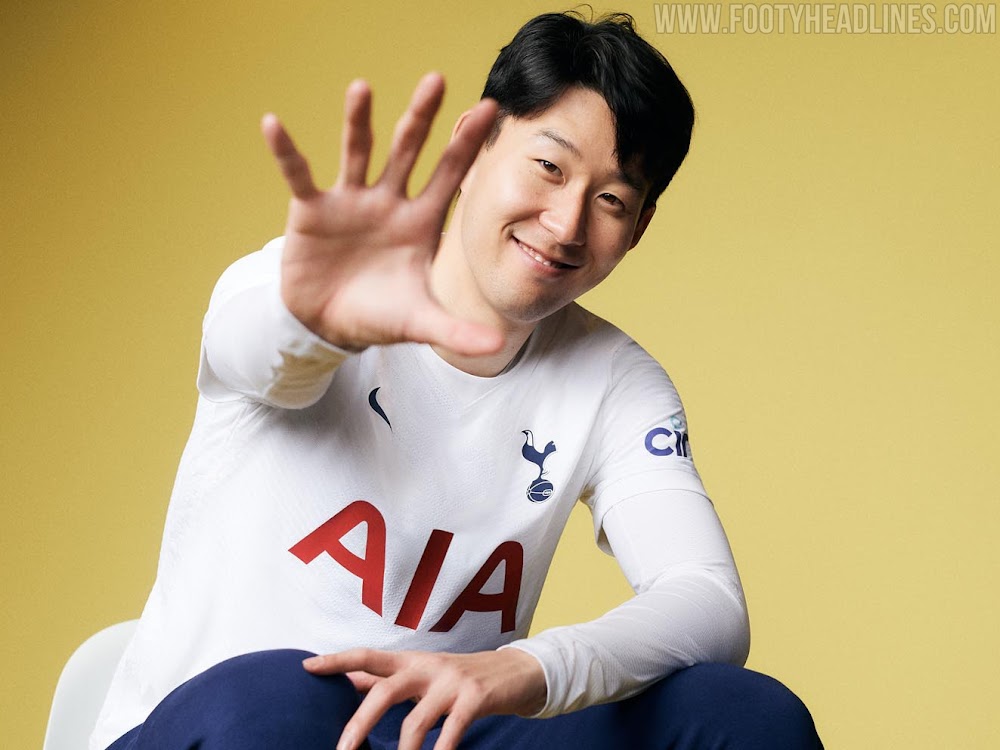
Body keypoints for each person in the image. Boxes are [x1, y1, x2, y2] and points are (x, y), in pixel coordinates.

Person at [91, 11, 823, 750]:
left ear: (638, 229)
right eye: (549, 167)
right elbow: (248, 351)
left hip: (437, 730)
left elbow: (707, 598)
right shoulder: (301, 284)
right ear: (472, 150)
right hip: (231, 721)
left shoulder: (614, 381)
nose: (566, 224)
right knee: (269, 694)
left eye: (611, 200)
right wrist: (315, 322)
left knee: (747, 715)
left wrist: (526, 668)